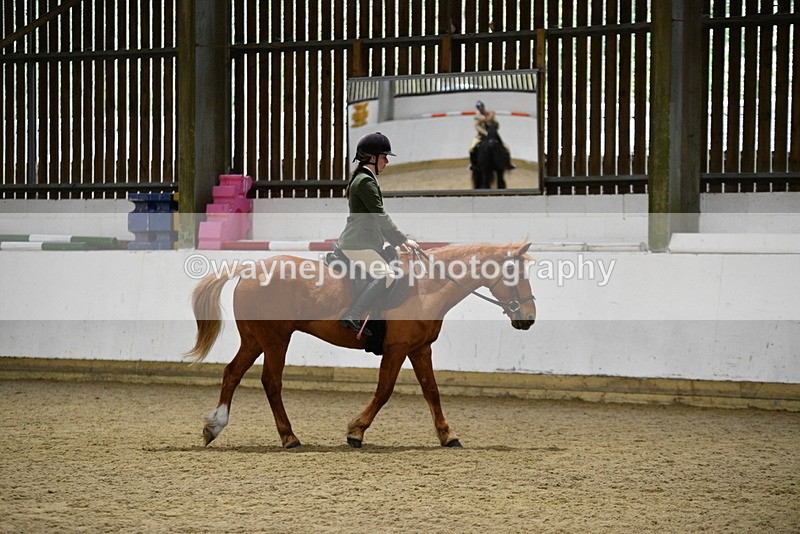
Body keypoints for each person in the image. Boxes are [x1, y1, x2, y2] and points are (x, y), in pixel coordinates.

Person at [338, 132, 418, 336]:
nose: (387, 161)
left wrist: (396, 242)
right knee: (388, 275)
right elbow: (380, 215)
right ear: (371, 158)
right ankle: (353, 314)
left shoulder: (363, 178)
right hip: (358, 244)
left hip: (365, 241)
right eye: (384, 157)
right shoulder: (365, 181)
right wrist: (402, 240)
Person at [469, 100, 514, 170]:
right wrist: (485, 133)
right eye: (480, 109)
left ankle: (508, 163)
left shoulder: (490, 115)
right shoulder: (477, 117)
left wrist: (494, 127)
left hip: (493, 135)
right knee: (471, 148)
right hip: (481, 136)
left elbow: (497, 123)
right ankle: (473, 164)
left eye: (482, 108)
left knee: (506, 147)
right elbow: (477, 127)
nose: (481, 110)